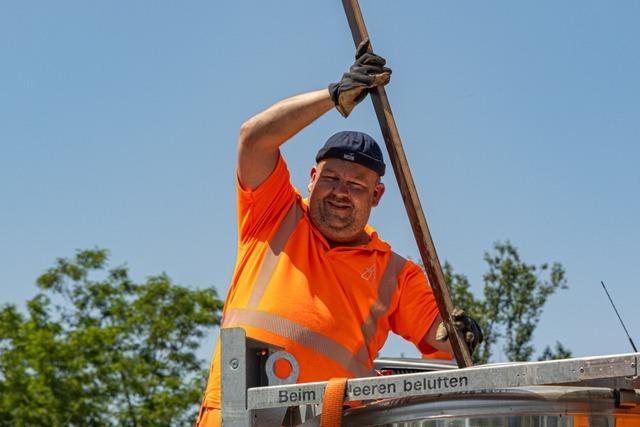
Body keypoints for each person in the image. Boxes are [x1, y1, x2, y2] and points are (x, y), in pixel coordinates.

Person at [197, 40, 482, 426]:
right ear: (312, 179)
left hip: (329, 420)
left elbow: (443, 344)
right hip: (237, 415)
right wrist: (334, 96)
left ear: (377, 195)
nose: (340, 192)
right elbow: (254, 138)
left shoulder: (394, 273)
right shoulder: (273, 215)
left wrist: (459, 332)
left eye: (356, 185)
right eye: (330, 177)